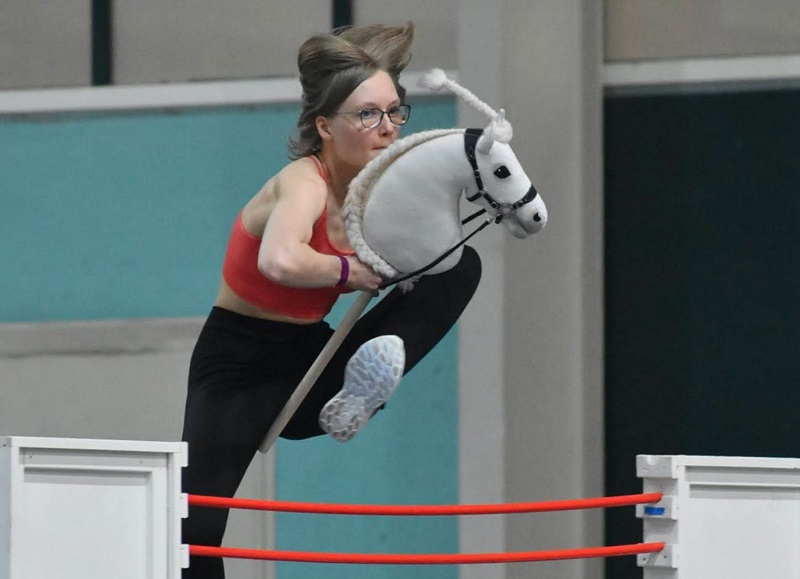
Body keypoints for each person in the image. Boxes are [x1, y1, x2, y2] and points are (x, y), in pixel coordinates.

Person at [181, 21, 481, 578]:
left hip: (316, 361)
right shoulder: (304, 182)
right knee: (191, 532)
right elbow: (280, 261)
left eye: (395, 111)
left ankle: (367, 383)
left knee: (459, 264)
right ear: (324, 124)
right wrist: (352, 271)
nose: (387, 127)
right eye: (368, 114)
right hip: (240, 365)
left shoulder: (380, 191)